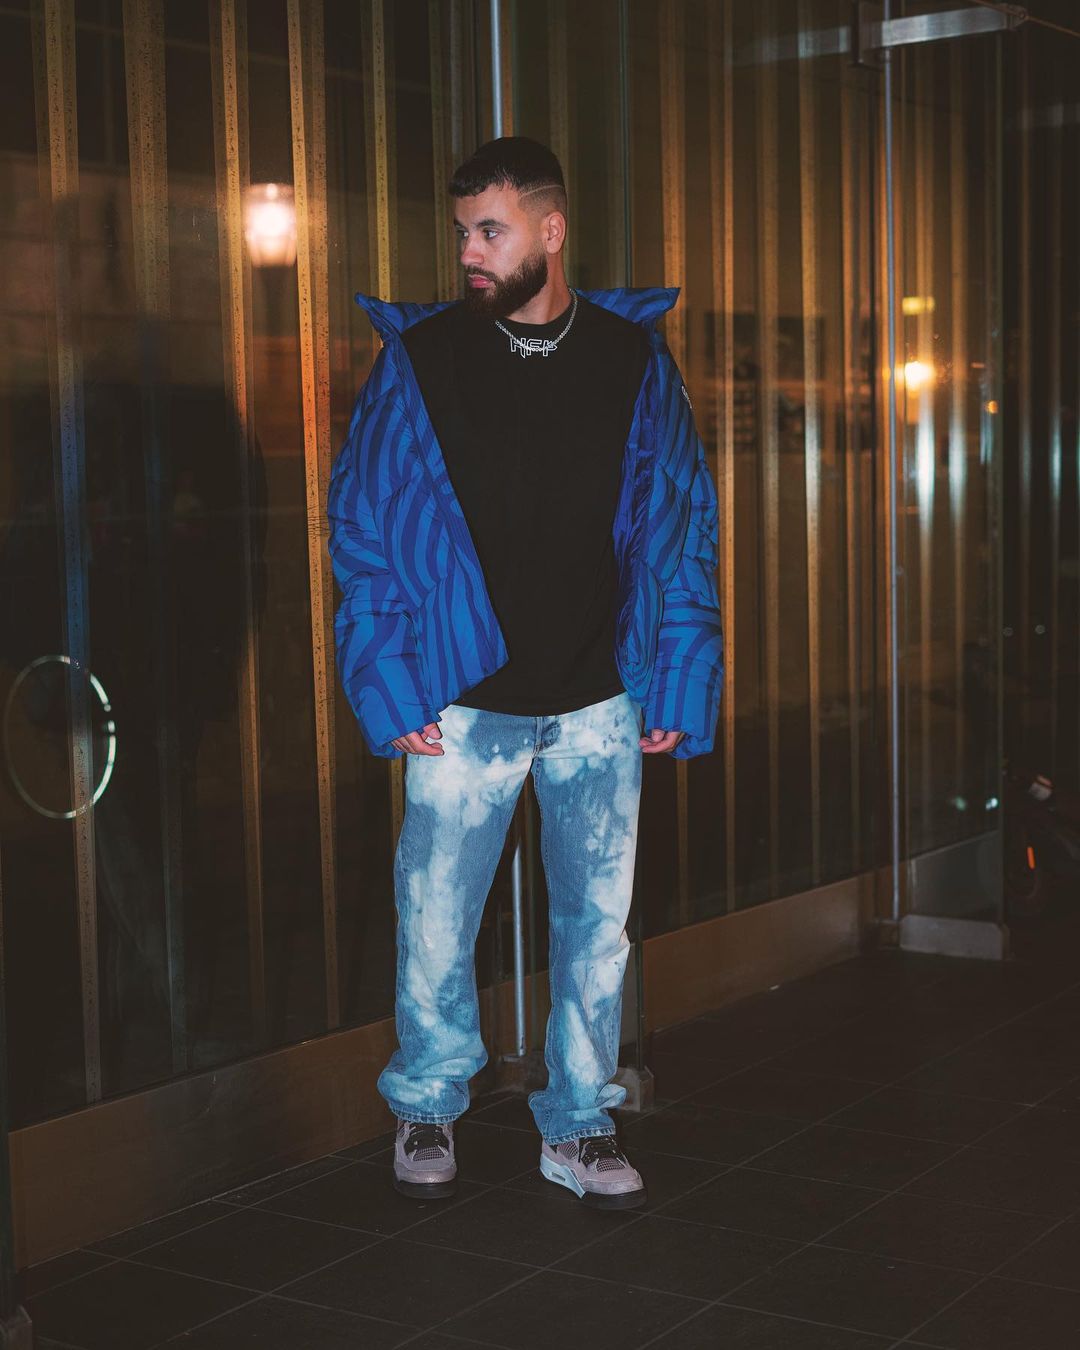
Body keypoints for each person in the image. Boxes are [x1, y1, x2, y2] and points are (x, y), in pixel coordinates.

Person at [327, 137, 723, 1210]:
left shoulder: (633, 359)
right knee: (435, 921)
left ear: (551, 230)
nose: (469, 251)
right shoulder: (422, 357)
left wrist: (678, 678)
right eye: (462, 231)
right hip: (461, 703)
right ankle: (426, 1101)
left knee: (597, 930)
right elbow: (365, 529)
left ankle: (579, 1119)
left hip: (601, 699)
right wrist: (388, 682)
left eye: (490, 230)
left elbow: (681, 527)